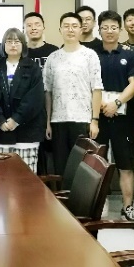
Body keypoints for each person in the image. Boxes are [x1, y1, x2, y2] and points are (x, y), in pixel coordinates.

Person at [91, 11, 134, 222]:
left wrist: (117, 103)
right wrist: (102, 105)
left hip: (124, 119)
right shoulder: (91, 55)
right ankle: (97, 205)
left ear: (120, 30)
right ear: (99, 30)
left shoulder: (130, 55)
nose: (109, 31)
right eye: (105, 28)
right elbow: (89, 84)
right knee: (97, 164)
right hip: (98, 117)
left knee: (125, 164)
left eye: (113, 27)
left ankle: (127, 207)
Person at [43, 12, 103, 175]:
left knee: (81, 168)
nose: (70, 30)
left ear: (81, 29)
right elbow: (48, 92)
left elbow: (97, 89)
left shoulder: (90, 55)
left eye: (74, 26)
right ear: (60, 30)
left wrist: (95, 120)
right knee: (60, 168)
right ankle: (62, 193)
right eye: (66, 26)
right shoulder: (53, 58)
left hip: (83, 119)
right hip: (58, 121)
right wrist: (48, 122)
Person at [0, 28, 45, 172]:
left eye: (17, 41)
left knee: (26, 176)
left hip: (27, 131)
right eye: (9, 41)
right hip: (1, 131)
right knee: (1, 176)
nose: (13, 45)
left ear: (23, 45)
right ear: (3, 45)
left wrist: (16, 119)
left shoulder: (33, 67)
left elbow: (35, 98)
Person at [23, 11, 58, 175]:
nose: (33, 28)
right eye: (29, 25)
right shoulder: (21, 52)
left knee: (51, 156)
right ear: (24, 28)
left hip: (52, 109)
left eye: (37, 24)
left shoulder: (54, 51)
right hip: (28, 112)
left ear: (44, 27)